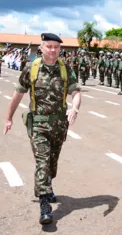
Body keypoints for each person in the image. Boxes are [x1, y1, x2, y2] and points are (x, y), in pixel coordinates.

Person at [3, 33, 81, 225]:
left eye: (57, 47)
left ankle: (46, 185)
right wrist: (8, 118)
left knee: (52, 165)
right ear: (42, 48)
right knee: (43, 161)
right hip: (38, 124)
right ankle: (45, 204)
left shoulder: (65, 68)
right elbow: (18, 93)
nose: (53, 50)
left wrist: (75, 107)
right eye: (49, 46)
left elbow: (75, 91)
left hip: (59, 125)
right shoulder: (31, 67)